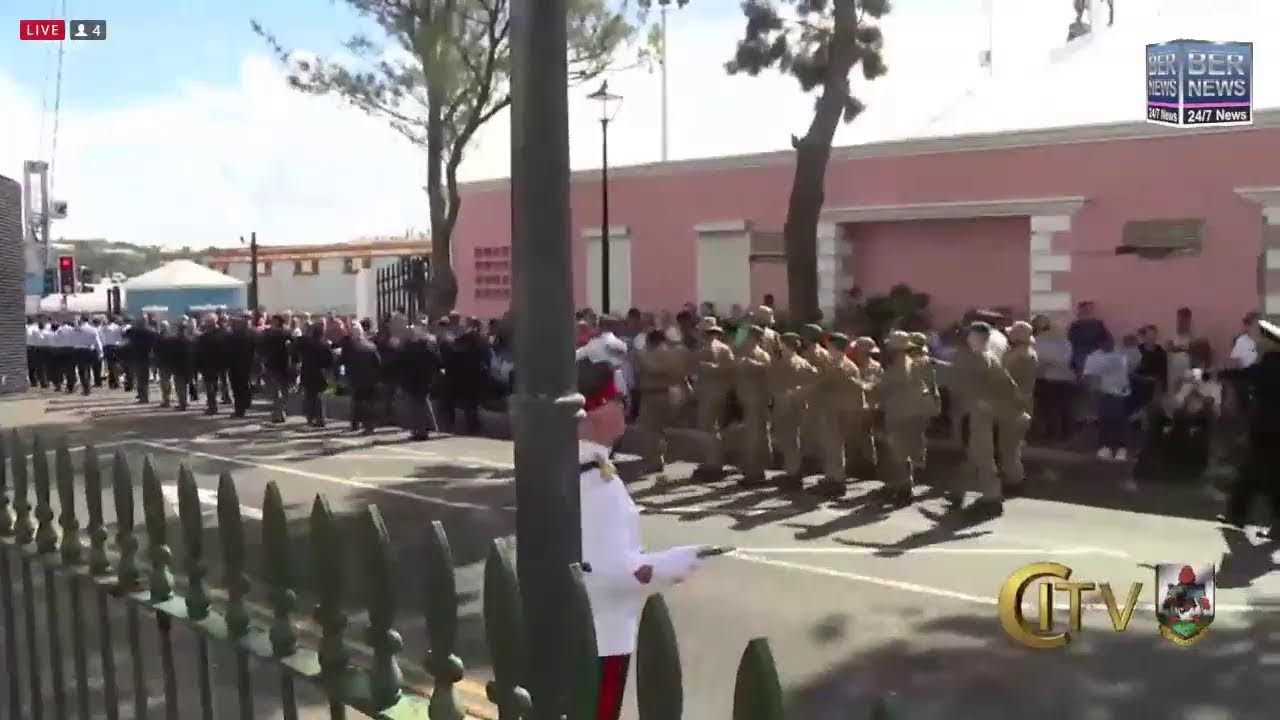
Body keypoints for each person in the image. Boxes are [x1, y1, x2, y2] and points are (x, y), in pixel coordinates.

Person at [575, 358, 711, 720]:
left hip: (576, 629)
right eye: (618, 400)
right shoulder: (595, 482)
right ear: (595, 413)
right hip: (602, 634)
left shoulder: (574, 466)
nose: (625, 407)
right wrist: (678, 563)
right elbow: (621, 573)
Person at [1217, 319, 1280, 538]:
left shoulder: (1271, 363)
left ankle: (1237, 514)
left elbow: (1245, 375)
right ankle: (1238, 514)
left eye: (1263, 338)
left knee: (1255, 473)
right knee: (1265, 474)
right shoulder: (1269, 362)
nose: (1259, 342)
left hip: (1267, 429)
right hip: (1268, 429)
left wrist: (1213, 375)